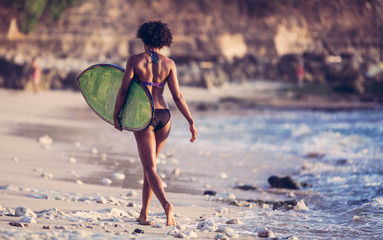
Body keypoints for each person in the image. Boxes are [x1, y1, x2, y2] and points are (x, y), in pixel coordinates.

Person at [113, 21, 197, 226]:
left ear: (144, 39)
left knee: (150, 168)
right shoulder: (169, 63)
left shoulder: (135, 60)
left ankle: (167, 205)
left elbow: (123, 90)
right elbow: (177, 96)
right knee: (149, 168)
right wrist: (191, 121)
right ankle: (144, 213)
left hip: (144, 117)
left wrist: (116, 115)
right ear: (163, 42)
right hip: (164, 116)